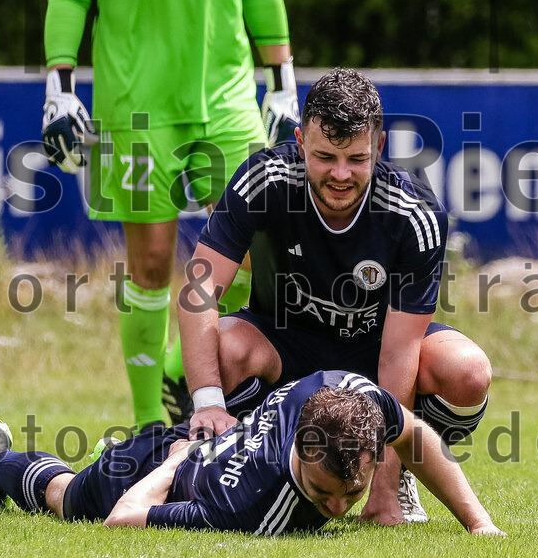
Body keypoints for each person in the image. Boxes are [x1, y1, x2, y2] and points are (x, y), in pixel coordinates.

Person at [40, 0, 299, 433]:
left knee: (241, 261)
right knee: (151, 263)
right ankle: (148, 425)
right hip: (134, 103)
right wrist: (59, 89)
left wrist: (284, 82)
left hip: (227, 97)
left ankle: (194, 385)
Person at [177, 68, 493, 526]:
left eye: (356, 159)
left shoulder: (413, 213)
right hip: (282, 345)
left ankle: (399, 475)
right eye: (325, 157)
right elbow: (198, 290)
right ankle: (244, 461)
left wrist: (383, 485)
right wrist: (207, 400)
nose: (340, 174)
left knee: (467, 371)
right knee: (223, 350)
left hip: (373, 350)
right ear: (300, 141)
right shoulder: (263, 180)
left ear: (378, 148)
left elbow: (400, 348)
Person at [0, 370, 503, 536]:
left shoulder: (343, 395)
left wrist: (480, 526)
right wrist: (176, 463)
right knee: (67, 497)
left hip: (202, 444)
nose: (338, 509)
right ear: (299, 441)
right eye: (322, 491)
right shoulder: (251, 509)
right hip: (154, 470)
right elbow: (122, 519)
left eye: (352, 493)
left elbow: (414, 435)